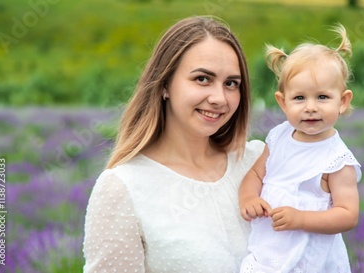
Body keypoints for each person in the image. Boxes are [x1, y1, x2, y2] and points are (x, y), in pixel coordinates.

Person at [82, 16, 266, 272]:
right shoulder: (124, 187)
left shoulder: (257, 161)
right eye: (202, 79)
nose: (219, 98)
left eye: (231, 84)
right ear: (165, 84)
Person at [238, 24, 361, 273]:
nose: (311, 107)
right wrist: (249, 198)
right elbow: (256, 174)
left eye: (323, 97)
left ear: (343, 101)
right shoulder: (279, 136)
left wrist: (302, 219)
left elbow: (348, 214)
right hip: (271, 247)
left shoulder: (337, 159)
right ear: (283, 103)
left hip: (311, 257)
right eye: (299, 98)